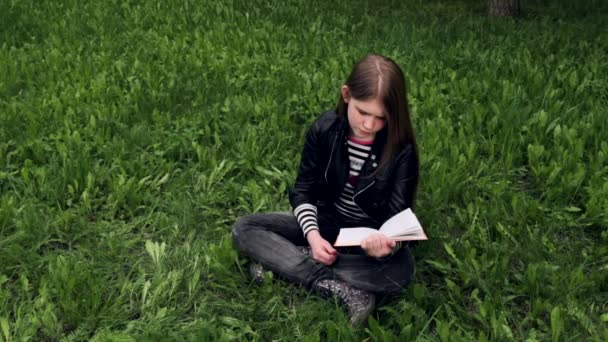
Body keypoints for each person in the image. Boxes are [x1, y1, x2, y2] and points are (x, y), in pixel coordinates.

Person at [232, 54, 419, 327]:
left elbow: (401, 219)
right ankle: (339, 286)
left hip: (367, 239)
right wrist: (314, 235)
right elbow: (304, 189)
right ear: (346, 95)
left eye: (381, 117)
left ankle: (286, 262)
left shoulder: (402, 151)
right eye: (363, 112)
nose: (369, 124)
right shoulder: (324, 128)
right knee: (245, 228)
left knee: (401, 270)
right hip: (326, 222)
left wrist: (386, 246)